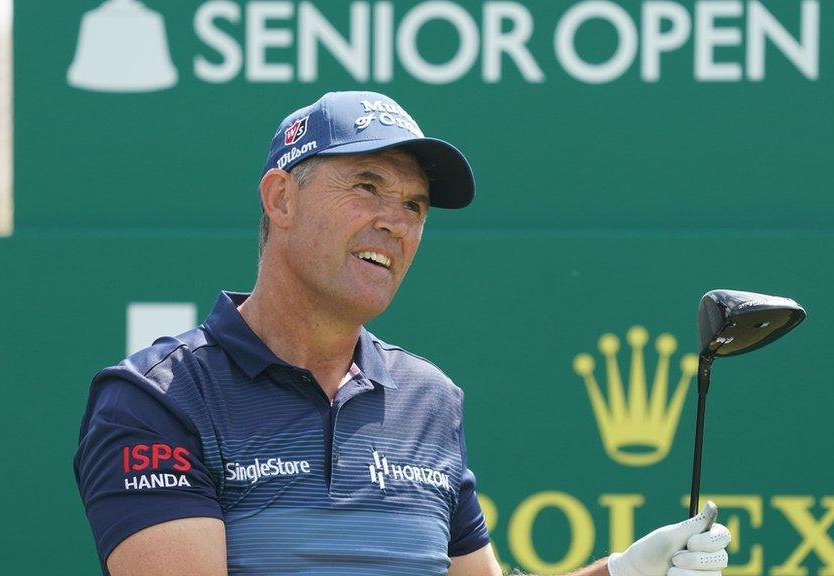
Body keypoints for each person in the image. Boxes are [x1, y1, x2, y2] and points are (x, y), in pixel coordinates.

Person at [74, 91, 731, 576]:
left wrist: (621, 572)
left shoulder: (428, 398)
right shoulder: (157, 400)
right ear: (280, 199)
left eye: (414, 206)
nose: (397, 222)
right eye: (367, 186)